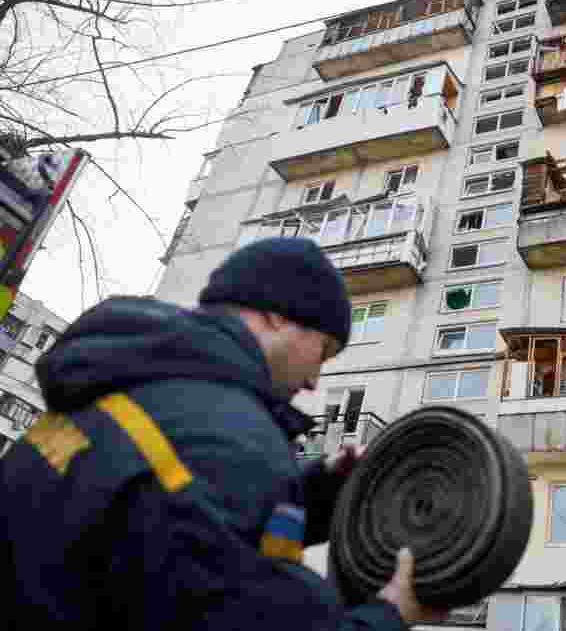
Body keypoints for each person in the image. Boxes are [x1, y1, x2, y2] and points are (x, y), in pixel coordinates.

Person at [0, 238, 446, 629]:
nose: (314, 380)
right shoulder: (230, 438)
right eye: (323, 351)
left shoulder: (132, 385)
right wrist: (391, 614)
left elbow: (158, 517)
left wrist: (318, 492)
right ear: (276, 315)